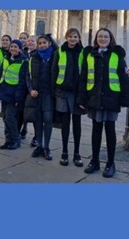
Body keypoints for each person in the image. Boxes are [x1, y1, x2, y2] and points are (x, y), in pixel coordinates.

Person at [77, 28, 129, 178]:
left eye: (105, 36)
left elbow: (124, 78)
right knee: (96, 130)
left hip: (111, 98)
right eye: (100, 36)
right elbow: (83, 79)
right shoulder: (89, 55)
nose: (102, 38)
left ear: (111, 38)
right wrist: (82, 98)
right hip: (94, 98)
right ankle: (94, 161)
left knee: (110, 131)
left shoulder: (117, 55)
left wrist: (125, 98)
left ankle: (110, 163)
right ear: (96, 39)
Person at [51, 28, 85, 167]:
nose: (72, 39)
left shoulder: (84, 52)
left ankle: (77, 153)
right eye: (70, 36)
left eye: (75, 36)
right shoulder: (59, 51)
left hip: (78, 93)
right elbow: (54, 71)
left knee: (77, 124)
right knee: (65, 123)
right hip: (63, 91)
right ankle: (64, 152)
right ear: (66, 37)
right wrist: (54, 90)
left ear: (79, 38)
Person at [0, 39, 28, 150]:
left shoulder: (24, 61)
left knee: (10, 118)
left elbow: (22, 81)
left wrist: (19, 97)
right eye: (12, 47)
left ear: (20, 49)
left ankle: (15, 139)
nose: (13, 49)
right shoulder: (6, 59)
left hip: (14, 94)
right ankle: (8, 140)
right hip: (4, 92)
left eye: (15, 47)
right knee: (5, 117)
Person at [29, 34, 57, 160]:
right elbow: (27, 76)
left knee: (48, 119)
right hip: (37, 94)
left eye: (44, 43)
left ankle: (47, 146)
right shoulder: (33, 57)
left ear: (49, 43)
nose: (42, 45)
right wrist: (31, 89)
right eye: (39, 43)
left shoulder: (55, 56)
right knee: (38, 120)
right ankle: (39, 145)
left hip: (49, 94)